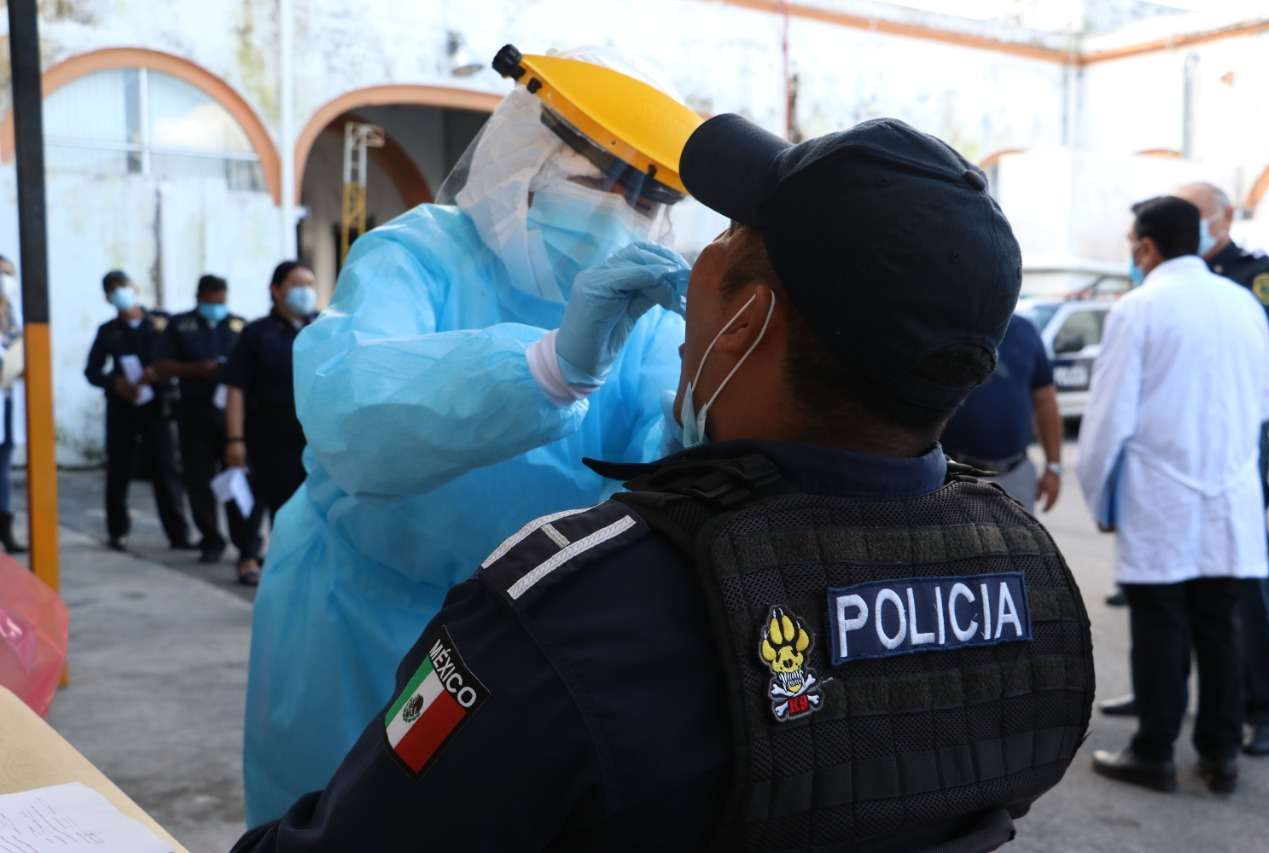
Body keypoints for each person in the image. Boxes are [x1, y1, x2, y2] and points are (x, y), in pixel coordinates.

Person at [232, 113, 1093, 853]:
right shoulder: (1025, 577)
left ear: (746, 321)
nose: (661, 240)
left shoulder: (568, 615)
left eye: (720, 236)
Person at [240, 46, 702, 824]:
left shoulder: (646, 309)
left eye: (649, 200)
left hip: (527, 636)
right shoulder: (416, 255)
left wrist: (703, 403)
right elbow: (350, 411)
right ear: (521, 162)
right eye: (597, 182)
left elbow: (657, 476)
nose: (623, 218)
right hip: (353, 612)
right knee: (325, 821)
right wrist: (546, 372)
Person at [1080, 196, 1269, 795]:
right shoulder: (1244, 304)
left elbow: (1109, 418)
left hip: (1160, 495)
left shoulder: (1139, 308)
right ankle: (1220, 758)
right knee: (1221, 629)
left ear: (1145, 247)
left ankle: (1154, 752)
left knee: (1160, 631)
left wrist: (1100, 496)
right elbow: (1266, 406)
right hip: (1230, 496)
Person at [83, 271, 192, 552]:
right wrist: (115, 383)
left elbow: (180, 356)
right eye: (112, 290)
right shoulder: (108, 331)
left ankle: (178, 533)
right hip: (123, 406)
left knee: (165, 469)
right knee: (119, 469)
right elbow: (92, 371)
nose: (119, 294)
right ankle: (118, 532)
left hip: (158, 405)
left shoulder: (161, 322)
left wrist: (160, 372)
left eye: (123, 287)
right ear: (107, 297)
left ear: (136, 289)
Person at [223, 262, 316, 586]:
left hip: (311, 435)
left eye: (310, 283)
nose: (305, 290)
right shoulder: (256, 333)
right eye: (296, 283)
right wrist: (234, 439)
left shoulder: (323, 326)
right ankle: (250, 556)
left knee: (307, 506)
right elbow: (235, 388)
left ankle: (297, 564)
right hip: (266, 432)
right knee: (261, 498)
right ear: (276, 290)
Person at [153, 274, 247, 564]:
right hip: (194, 415)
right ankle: (211, 539)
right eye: (212, 301)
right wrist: (197, 369)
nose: (217, 306)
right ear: (200, 298)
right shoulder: (179, 325)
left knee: (235, 478)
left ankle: (245, 542)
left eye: (221, 301)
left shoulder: (239, 326)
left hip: (230, 417)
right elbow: (161, 366)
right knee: (199, 480)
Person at [941, 311, 1062, 513]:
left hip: (1016, 474)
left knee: (1020, 545)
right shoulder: (946, 329)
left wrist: (1053, 467)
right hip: (955, 475)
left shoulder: (1025, 331)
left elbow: (1046, 402)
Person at [0, 256, 25, 553]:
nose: (5, 279)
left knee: (4, 463)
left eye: (9, 274)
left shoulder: (13, 315)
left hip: (6, 397)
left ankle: (5, 525)